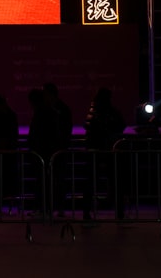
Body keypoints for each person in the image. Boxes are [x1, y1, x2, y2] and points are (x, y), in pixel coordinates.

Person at [27, 83, 73, 216]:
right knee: (47, 180)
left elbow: (61, 130)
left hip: (54, 151)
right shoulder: (49, 109)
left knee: (56, 180)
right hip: (49, 150)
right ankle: (48, 207)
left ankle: (55, 207)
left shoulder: (55, 110)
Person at [82, 86, 127, 220]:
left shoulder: (95, 113)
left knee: (91, 183)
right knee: (114, 183)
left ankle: (86, 212)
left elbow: (88, 128)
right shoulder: (111, 113)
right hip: (108, 151)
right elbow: (121, 126)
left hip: (97, 151)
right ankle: (119, 212)